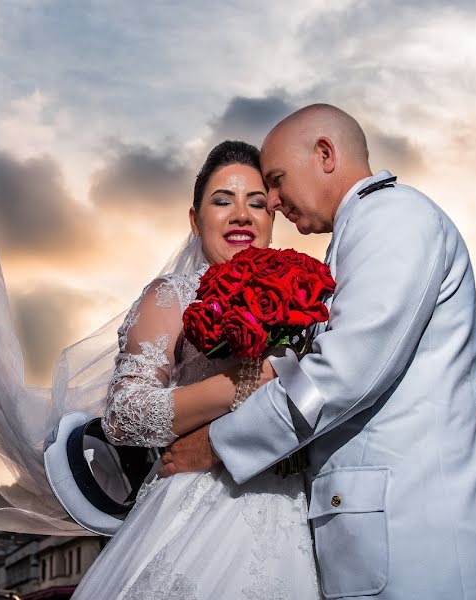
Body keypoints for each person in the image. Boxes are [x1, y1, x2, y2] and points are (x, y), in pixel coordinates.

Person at [161, 104, 476, 599]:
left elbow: (340, 376)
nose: (275, 200)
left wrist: (220, 443)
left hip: (419, 545)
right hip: (378, 538)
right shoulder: (362, 229)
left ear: (325, 154)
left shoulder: (393, 216)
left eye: (278, 180)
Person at [70, 140, 320, 600]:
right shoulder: (174, 296)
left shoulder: (309, 301)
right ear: (194, 219)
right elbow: (125, 415)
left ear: (272, 217)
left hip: (300, 511)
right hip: (197, 510)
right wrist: (246, 381)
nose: (242, 215)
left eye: (258, 202)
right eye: (222, 200)